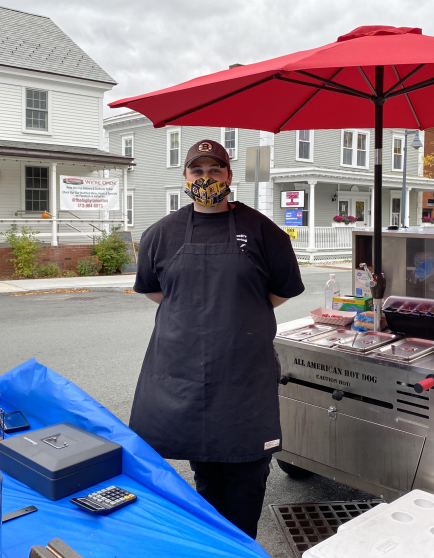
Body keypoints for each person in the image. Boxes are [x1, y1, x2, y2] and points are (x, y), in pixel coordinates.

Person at [130, 139, 305, 539]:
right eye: (197, 171)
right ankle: (212, 546)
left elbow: (279, 292)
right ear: (185, 176)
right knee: (205, 470)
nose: (205, 178)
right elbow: (158, 293)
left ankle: (242, 546)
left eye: (214, 170)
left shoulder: (263, 231)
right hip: (185, 377)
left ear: (228, 176)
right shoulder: (161, 234)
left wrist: (237, 311)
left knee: (247, 472)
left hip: (245, 376)